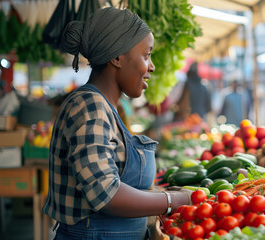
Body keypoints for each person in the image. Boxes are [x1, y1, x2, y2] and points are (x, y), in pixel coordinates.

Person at [42, 7, 191, 239]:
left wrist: (161, 194)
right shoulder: (88, 105)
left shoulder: (105, 107)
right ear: (117, 57)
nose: (151, 66)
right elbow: (105, 193)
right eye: (146, 55)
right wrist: (171, 201)